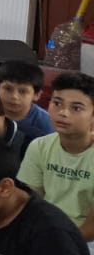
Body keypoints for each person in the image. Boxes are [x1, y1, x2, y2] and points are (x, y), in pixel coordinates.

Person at [17, 71, 94, 241]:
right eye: (57, 103)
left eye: (76, 108)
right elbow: (31, 200)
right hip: (47, 231)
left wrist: (62, 244)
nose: (63, 113)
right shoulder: (39, 146)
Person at [0, 60, 53, 140]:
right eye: (8, 89)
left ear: (37, 95)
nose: (14, 96)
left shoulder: (47, 125)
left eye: (23, 91)